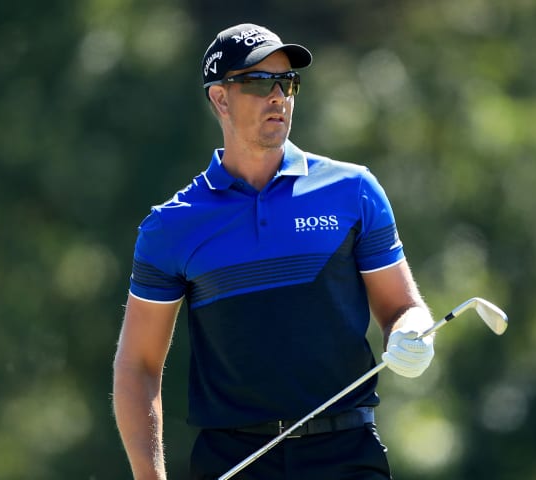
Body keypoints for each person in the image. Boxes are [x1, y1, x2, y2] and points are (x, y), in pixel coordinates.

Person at [113, 23, 436, 480]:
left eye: (287, 83)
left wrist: (414, 332)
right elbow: (138, 365)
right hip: (234, 461)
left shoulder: (352, 190)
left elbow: (401, 307)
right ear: (219, 99)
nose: (278, 96)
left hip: (345, 453)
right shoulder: (172, 225)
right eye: (259, 82)